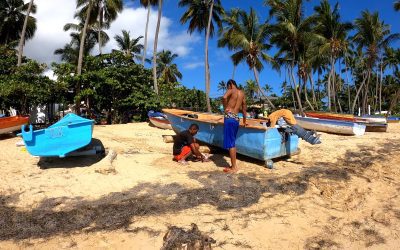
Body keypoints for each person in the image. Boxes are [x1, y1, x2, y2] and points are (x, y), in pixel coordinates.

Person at [222, 79, 247, 173]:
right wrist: (244, 121)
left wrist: (226, 108)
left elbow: (224, 97)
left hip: (229, 117)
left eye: (227, 87)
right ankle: (234, 165)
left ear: (230, 85)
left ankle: (234, 167)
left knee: (231, 144)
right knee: (233, 142)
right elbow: (244, 108)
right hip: (236, 118)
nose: (227, 88)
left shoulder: (232, 89)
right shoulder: (242, 93)